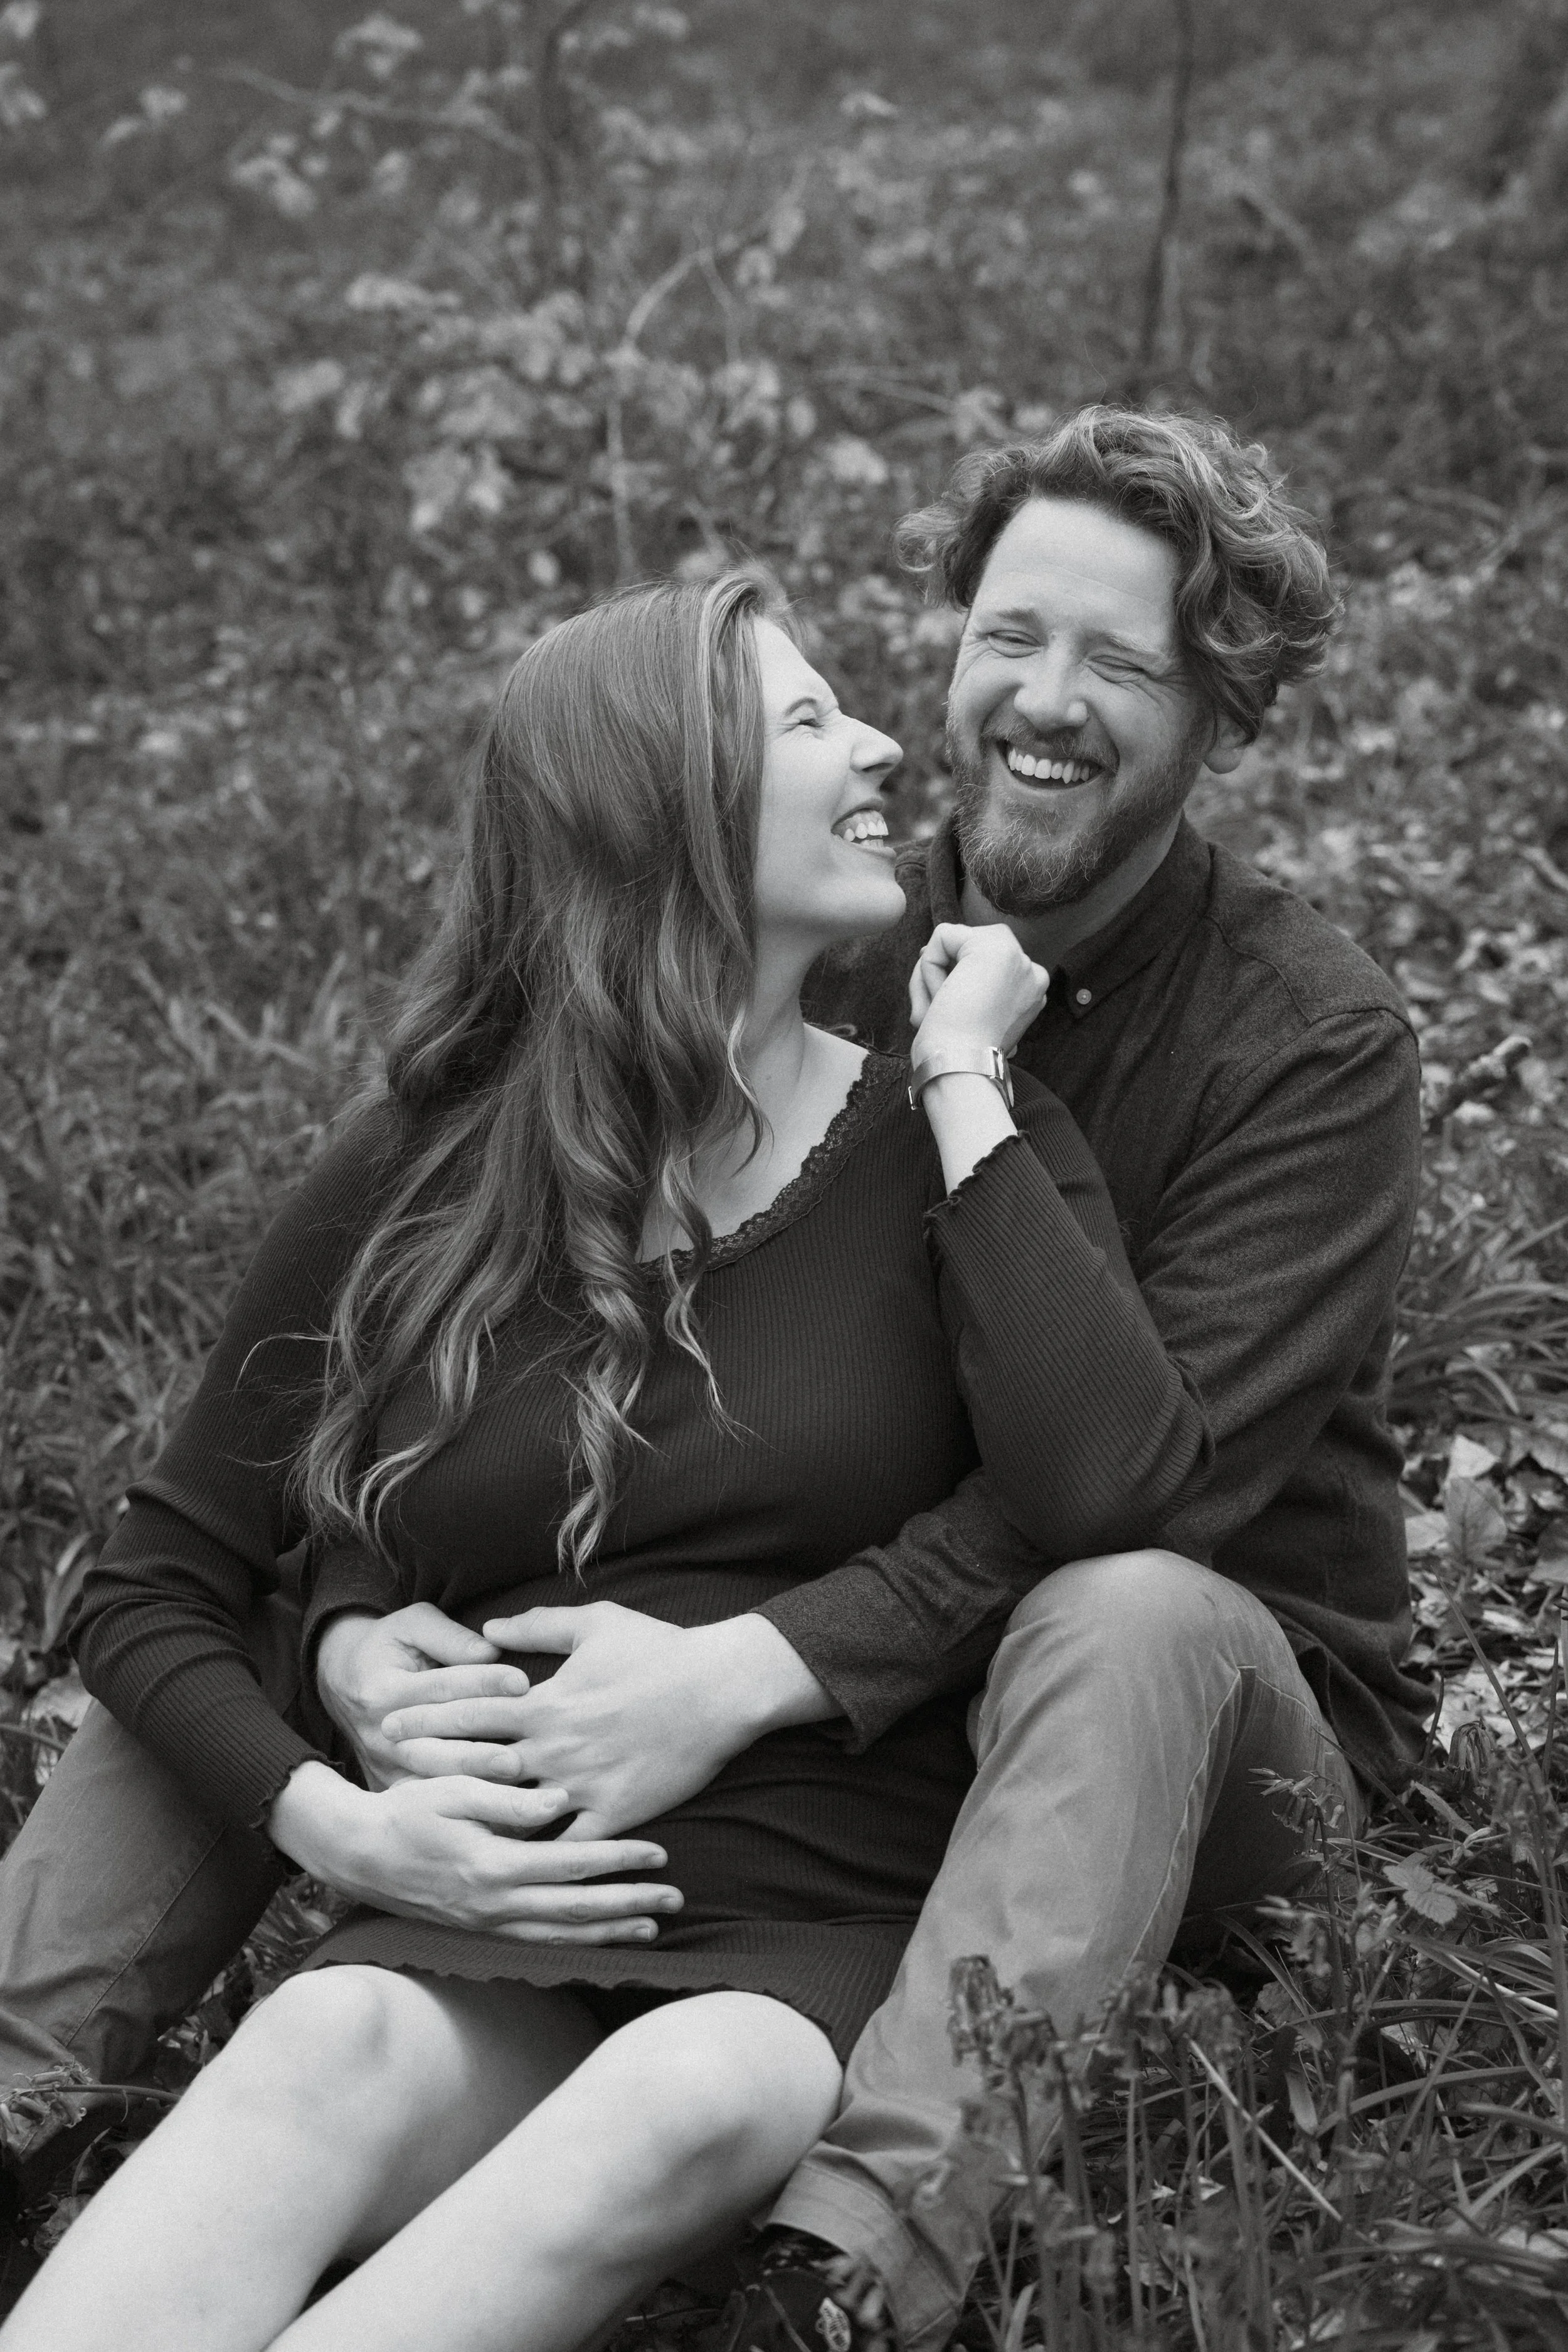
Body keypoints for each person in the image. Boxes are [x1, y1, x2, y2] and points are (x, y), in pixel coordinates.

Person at [0, 405, 1431, 2351]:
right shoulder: (802, 939)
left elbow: (1132, 1494)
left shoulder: (1299, 1040)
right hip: (777, 1742)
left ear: (1218, 705)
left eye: (1120, 660)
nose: (1043, 698)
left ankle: (849, 2275)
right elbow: (464, 1405)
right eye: (1010, 634)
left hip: (1177, 1726)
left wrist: (738, 1670)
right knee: (244, 1594)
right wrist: (348, 1626)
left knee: (1120, 1610)